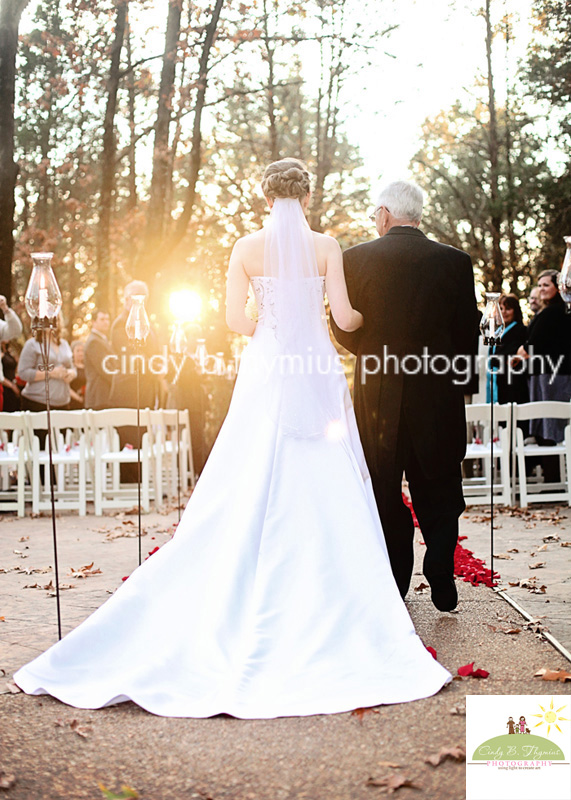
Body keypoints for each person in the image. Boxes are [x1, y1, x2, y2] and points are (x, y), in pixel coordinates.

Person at [14, 158, 451, 718]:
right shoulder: (326, 246)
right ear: (307, 197)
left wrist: (269, 318)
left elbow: (235, 324)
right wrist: (360, 320)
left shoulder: (245, 247)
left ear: (266, 196)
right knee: (324, 459)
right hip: (313, 364)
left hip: (269, 365)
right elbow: (344, 317)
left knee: (252, 459)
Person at [331, 181, 479, 612]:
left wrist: (374, 357)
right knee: (440, 484)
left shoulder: (355, 259)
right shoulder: (455, 261)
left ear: (383, 214)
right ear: (418, 215)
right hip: (437, 392)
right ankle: (439, 570)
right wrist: (459, 386)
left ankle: (395, 580)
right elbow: (466, 331)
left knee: (382, 487)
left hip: (378, 394)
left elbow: (341, 326)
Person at [517, 269, 571, 443]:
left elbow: (530, 347)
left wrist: (521, 353)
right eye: (539, 285)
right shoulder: (551, 312)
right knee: (549, 425)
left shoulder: (553, 313)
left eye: (546, 285)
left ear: (558, 287)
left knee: (551, 426)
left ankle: (553, 468)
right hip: (547, 373)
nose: (541, 289)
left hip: (551, 375)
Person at [487, 294, 528, 406]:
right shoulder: (497, 332)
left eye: (508, 309)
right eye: (501, 309)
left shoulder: (521, 330)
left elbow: (509, 355)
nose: (504, 312)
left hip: (513, 382)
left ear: (515, 311)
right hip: (498, 380)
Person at [84, 310, 113, 410]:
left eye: (107, 319)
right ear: (93, 322)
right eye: (102, 319)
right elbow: (106, 369)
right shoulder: (94, 342)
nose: (106, 322)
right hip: (99, 397)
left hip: (104, 397)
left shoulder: (102, 339)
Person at [1, 341, 22, 412]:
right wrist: (12, 386)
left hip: (13, 383)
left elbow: (15, 369)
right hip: (5, 386)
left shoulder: (9, 350)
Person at [69, 340, 86, 409]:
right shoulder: (70, 367)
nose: (80, 353)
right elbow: (67, 388)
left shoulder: (87, 367)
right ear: (72, 352)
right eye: (78, 351)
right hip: (74, 402)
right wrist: (78, 398)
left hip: (86, 402)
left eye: (82, 351)